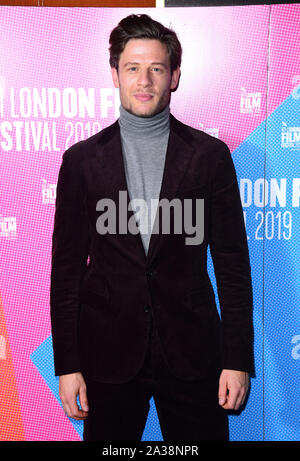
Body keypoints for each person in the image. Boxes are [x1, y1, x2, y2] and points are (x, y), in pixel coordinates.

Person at [50, 14, 254, 441]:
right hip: (107, 356)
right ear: (115, 75)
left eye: (156, 68)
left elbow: (233, 267)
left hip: (194, 354)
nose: (144, 80)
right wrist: (67, 366)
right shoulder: (82, 162)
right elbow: (65, 273)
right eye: (132, 68)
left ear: (174, 76)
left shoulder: (209, 157)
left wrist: (237, 359)